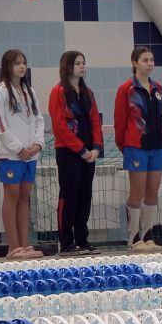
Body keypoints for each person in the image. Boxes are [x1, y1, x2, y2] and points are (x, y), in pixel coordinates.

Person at [49, 51, 102, 255]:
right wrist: (81, 150)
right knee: (69, 196)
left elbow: (95, 121)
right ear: (68, 66)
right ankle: (67, 242)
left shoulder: (87, 93)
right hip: (69, 152)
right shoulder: (59, 92)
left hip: (89, 153)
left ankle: (82, 240)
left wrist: (96, 147)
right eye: (78, 63)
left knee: (84, 197)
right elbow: (60, 126)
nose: (82, 66)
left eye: (83, 63)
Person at [114, 47, 162, 252]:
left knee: (152, 192)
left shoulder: (158, 88)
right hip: (136, 147)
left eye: (152, 60)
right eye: (145, 60)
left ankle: (148, 235)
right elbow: (120, 122)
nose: (150, 63)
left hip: (157, 146)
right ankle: (134, 237)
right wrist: (125, 146)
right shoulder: (126, 89)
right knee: (137, 192)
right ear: (134, 63)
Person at [0, 50, 43, 259]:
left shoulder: (29, 91)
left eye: (24, 62)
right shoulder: (1, 91)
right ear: (8, 66)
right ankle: (13, 246)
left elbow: (39, 119)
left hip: (30, 155)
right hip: (11, 154)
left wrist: (38, 144)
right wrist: (19, 148)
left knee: (25, 198)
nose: (22, 67)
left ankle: (25, 244)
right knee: (12, 196)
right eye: (17, 63)